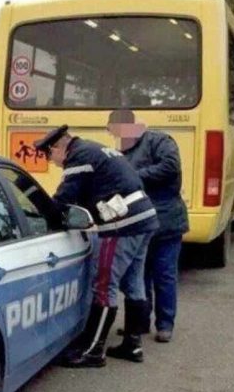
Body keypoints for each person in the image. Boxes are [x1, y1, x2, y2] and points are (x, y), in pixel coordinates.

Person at [35, 125, 159, 368]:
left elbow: (64, 198)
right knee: (134, 283)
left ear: (57, 147)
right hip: (143, 219)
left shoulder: (78, 157)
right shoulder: (93, 149)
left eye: (49, 156)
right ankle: (132, 345)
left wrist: (43, 218)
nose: (52, 162)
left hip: (121, 226)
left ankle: (93, 351)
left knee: (104, 286)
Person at [107, 110, 189, 343]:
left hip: (166, 221)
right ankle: (140, 323)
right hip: (139, 223)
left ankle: (165, 324)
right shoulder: (123, 151)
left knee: (164, 275)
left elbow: (170, 166)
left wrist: (134, 175)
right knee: (139, 276)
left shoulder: (159, 140)